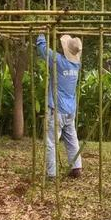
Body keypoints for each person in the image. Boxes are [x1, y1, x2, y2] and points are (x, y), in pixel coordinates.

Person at [36, 33, 83, 179]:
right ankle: (76, 167)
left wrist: (41, 34)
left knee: (51, 142)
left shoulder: (59, 61)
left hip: (57, 109)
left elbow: (43, 49)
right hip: (70, 109)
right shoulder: (77, 64)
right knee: (71, 138)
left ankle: (51, 174)